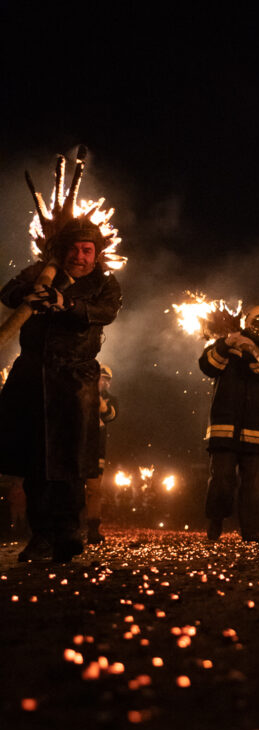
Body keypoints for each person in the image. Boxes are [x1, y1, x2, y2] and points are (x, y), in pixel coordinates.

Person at [0, 222, 122, 563]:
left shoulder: (104, 283)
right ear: (62, 250)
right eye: (74, 249)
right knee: (35, 460)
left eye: (87, 250)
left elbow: (106, 312)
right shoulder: (41, 272)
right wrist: (32, 289)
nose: (79, 256)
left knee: (71, 459)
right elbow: (7, 294)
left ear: (96, 255)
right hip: (32, 376)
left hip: (75, 378)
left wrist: (65, 303)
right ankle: (41, 536)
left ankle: (68, 532)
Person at [199, 304, 259, 542]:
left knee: (257, 486)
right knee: (222, 481)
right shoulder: (223, 345)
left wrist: (250, 349)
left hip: (257, 430)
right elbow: (207, 366)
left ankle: (251, 531)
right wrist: (227, 344)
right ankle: (215, 522)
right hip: (225, 427)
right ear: (248, 322)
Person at [85, 364, 118, 544]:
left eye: (108, 380)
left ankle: (92, 529)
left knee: (95, 490)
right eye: (102, 379)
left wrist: (97, 399)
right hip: (79, 449)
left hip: (97, 451)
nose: (106, 383)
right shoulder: (81, 395)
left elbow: (110, 415)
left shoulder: (110, 399)